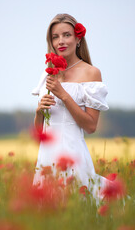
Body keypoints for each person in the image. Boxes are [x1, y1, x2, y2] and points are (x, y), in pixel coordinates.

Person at [31, 13, 109, 202]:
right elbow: (39, 132)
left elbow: (91, 126)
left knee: (77, 206)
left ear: (78, 38)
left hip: (72, 152)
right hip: (46, 155)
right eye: (55, 37)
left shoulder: (91, 72)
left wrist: (63, 95)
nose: (61, 41)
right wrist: (39, 111)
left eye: (66, 35)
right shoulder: (47, 72)